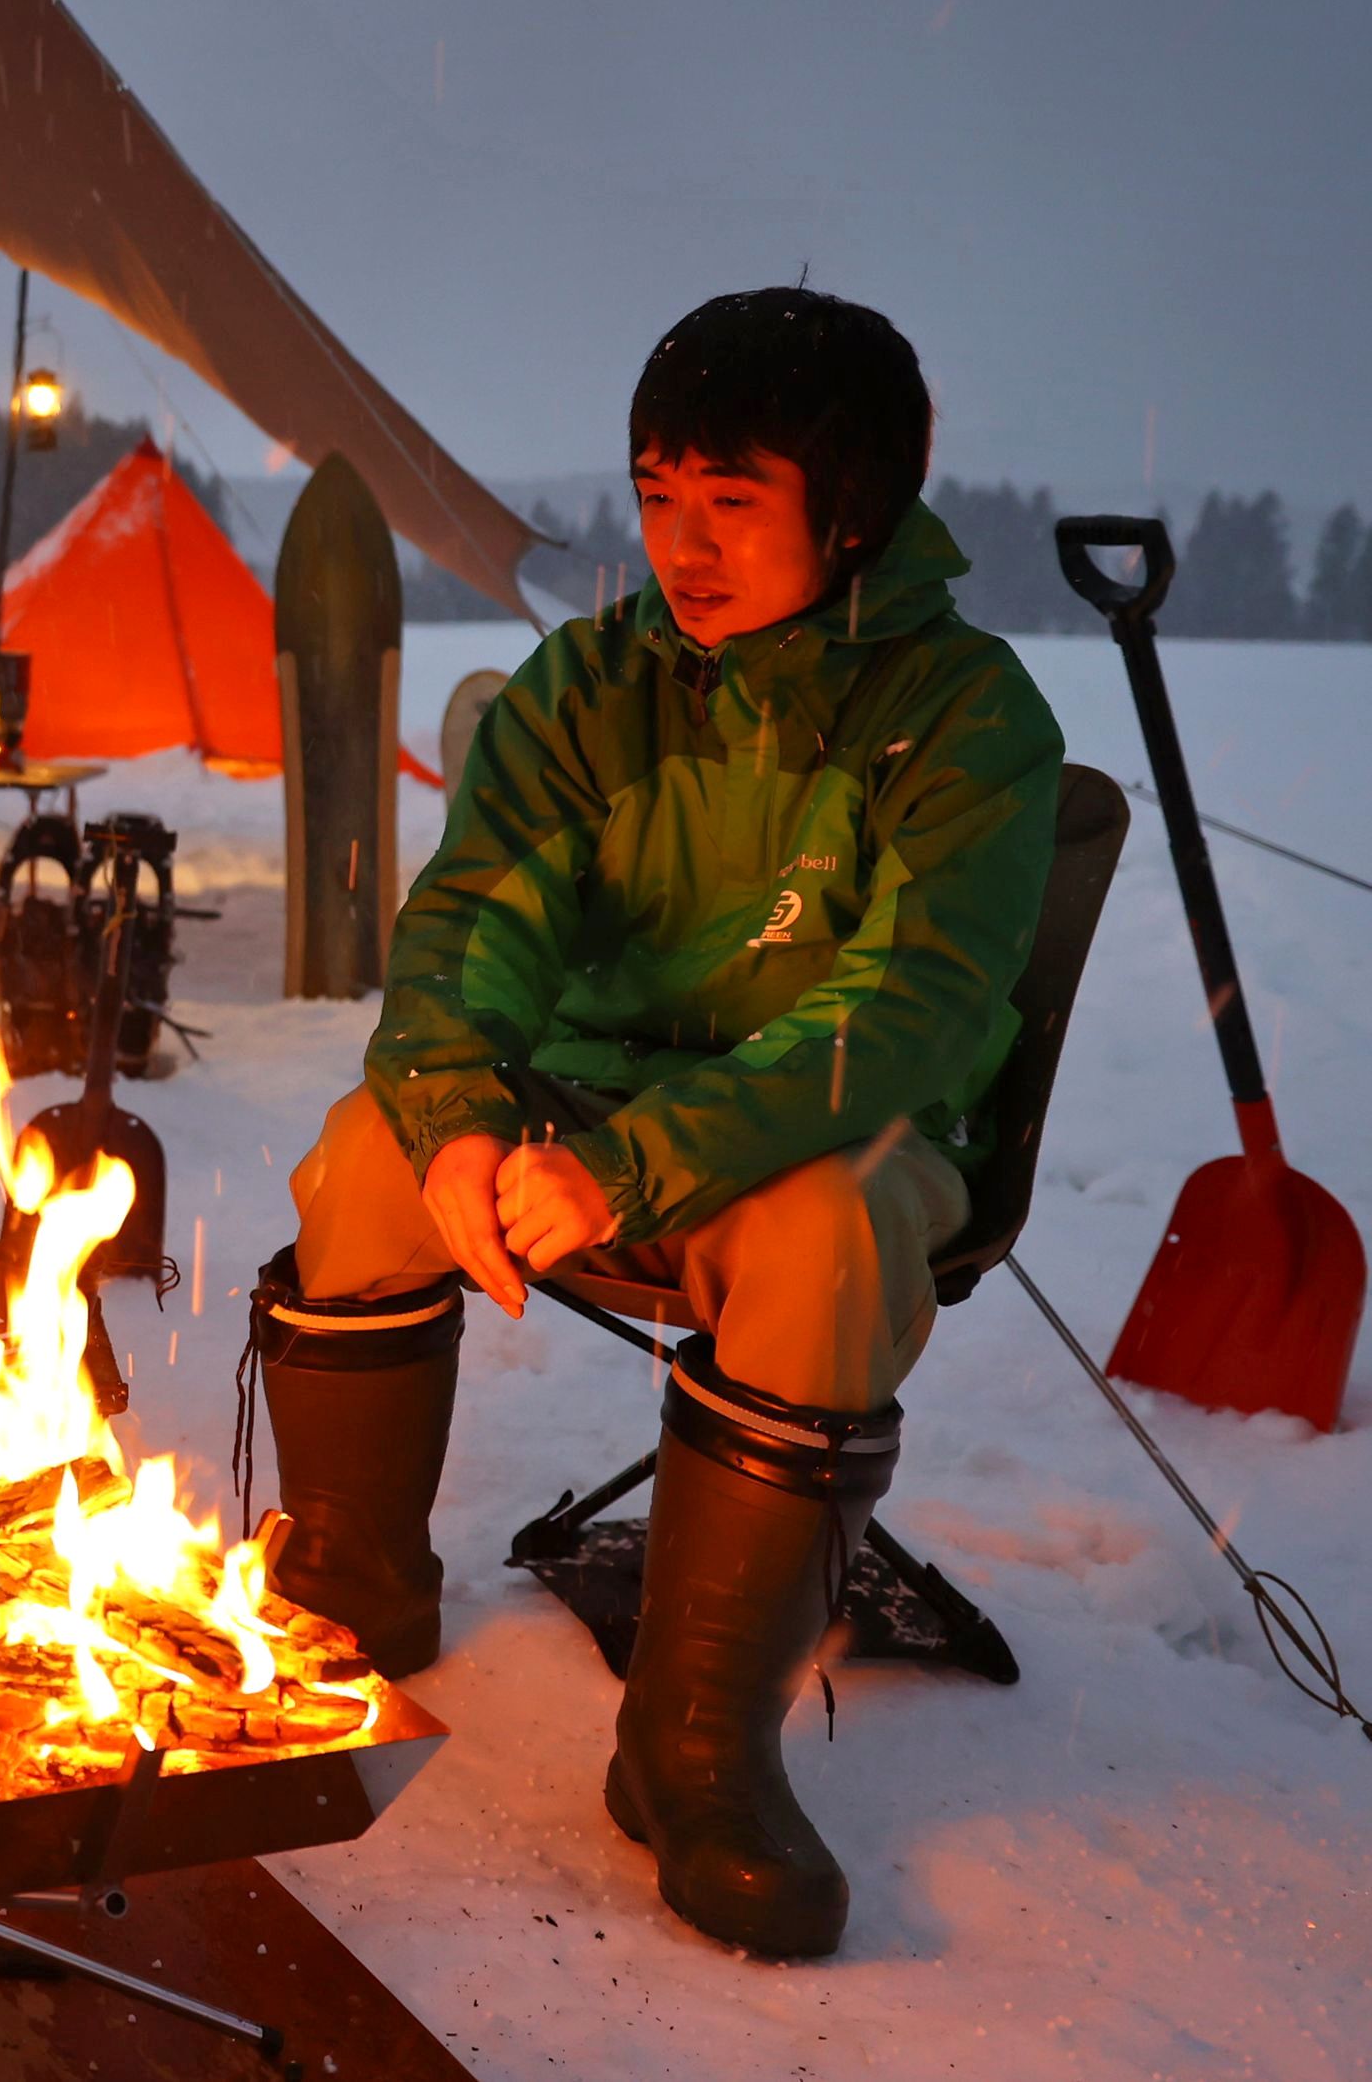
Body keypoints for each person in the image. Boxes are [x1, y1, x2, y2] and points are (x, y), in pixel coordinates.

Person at [248, 287, 1062, 1958]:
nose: (682, 545)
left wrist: (633, 1159)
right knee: (363, 1159)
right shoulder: (591, 690)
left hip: (841, 1136)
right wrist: (467, 1121)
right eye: (659, 493)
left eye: (733, 500)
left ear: (852, 508)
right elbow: (472, 928)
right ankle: (357, 1586)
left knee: (822, 1233)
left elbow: (903, 1013)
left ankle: (695, 1744)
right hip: (584, 1112)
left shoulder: (965, 719)